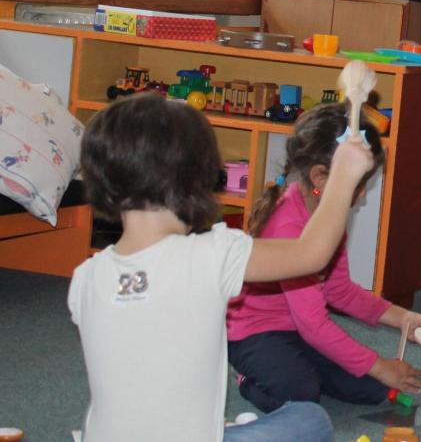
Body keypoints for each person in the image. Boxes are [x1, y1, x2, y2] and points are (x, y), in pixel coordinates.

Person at [67, 92, 375, 442]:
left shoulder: (85, 278)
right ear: (199, 178)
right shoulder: (212, 255)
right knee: (310, 419)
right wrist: (343, 177)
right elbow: (312, 254)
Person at [227, 102, 421, 413]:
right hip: (255, 333)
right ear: (321, 178)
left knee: (372, 389)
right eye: (358, 185)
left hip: (298, 329)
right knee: (301, 396)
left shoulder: (326, 214)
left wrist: (401, 317)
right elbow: (314, 325)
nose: (361, 195)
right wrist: (379, 365)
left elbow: (339, 291)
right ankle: (246, 378)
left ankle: (300, 368)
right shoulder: (289, 226)